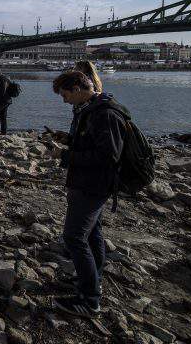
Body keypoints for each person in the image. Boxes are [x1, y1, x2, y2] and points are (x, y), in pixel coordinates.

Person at [52, 71, 128, 318]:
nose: (64, 101)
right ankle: (93, 280)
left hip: (92, 186)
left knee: (74, 237)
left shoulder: (104, 113)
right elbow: (94, 145)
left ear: (76, 88)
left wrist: (64, 156)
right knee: (93, 233)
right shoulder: (94, 108)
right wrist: (69, 140)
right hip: (88, 184)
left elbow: (109, 157)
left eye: (65, 95)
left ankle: (89, 300)